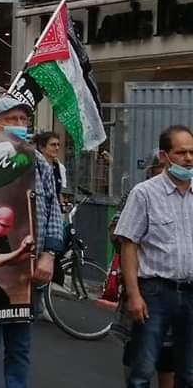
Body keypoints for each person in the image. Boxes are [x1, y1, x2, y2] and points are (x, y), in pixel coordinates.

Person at [0, 97, 63, 388]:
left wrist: (49, 254)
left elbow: (53, 211)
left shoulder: (39, 164)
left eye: (24, 120)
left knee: (20, 345)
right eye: (13, 120)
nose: (21, 125)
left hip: (28, 270)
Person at [116, 125, 193, 388]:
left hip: (191, 293)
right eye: (181, 152)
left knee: (188, 371)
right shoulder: (144, 193)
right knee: (142, 370)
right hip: (155, 293)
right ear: (164, 156)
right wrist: (134, 295)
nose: (188, 158)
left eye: (192, 152)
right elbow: (129, 244)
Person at [111, 150, 175, 388]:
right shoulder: (138, 194)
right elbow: (117, 235)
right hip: (142, 284)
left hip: (177, 287)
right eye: (158, 166)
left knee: (170, 356)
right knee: (139, 351)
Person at [32, 132, 67, 199]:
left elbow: (59, 193)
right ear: (42, 147)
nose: (57, 148)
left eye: (58, 145)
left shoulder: (59, 167)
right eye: (53, 145)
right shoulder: (35, 166)